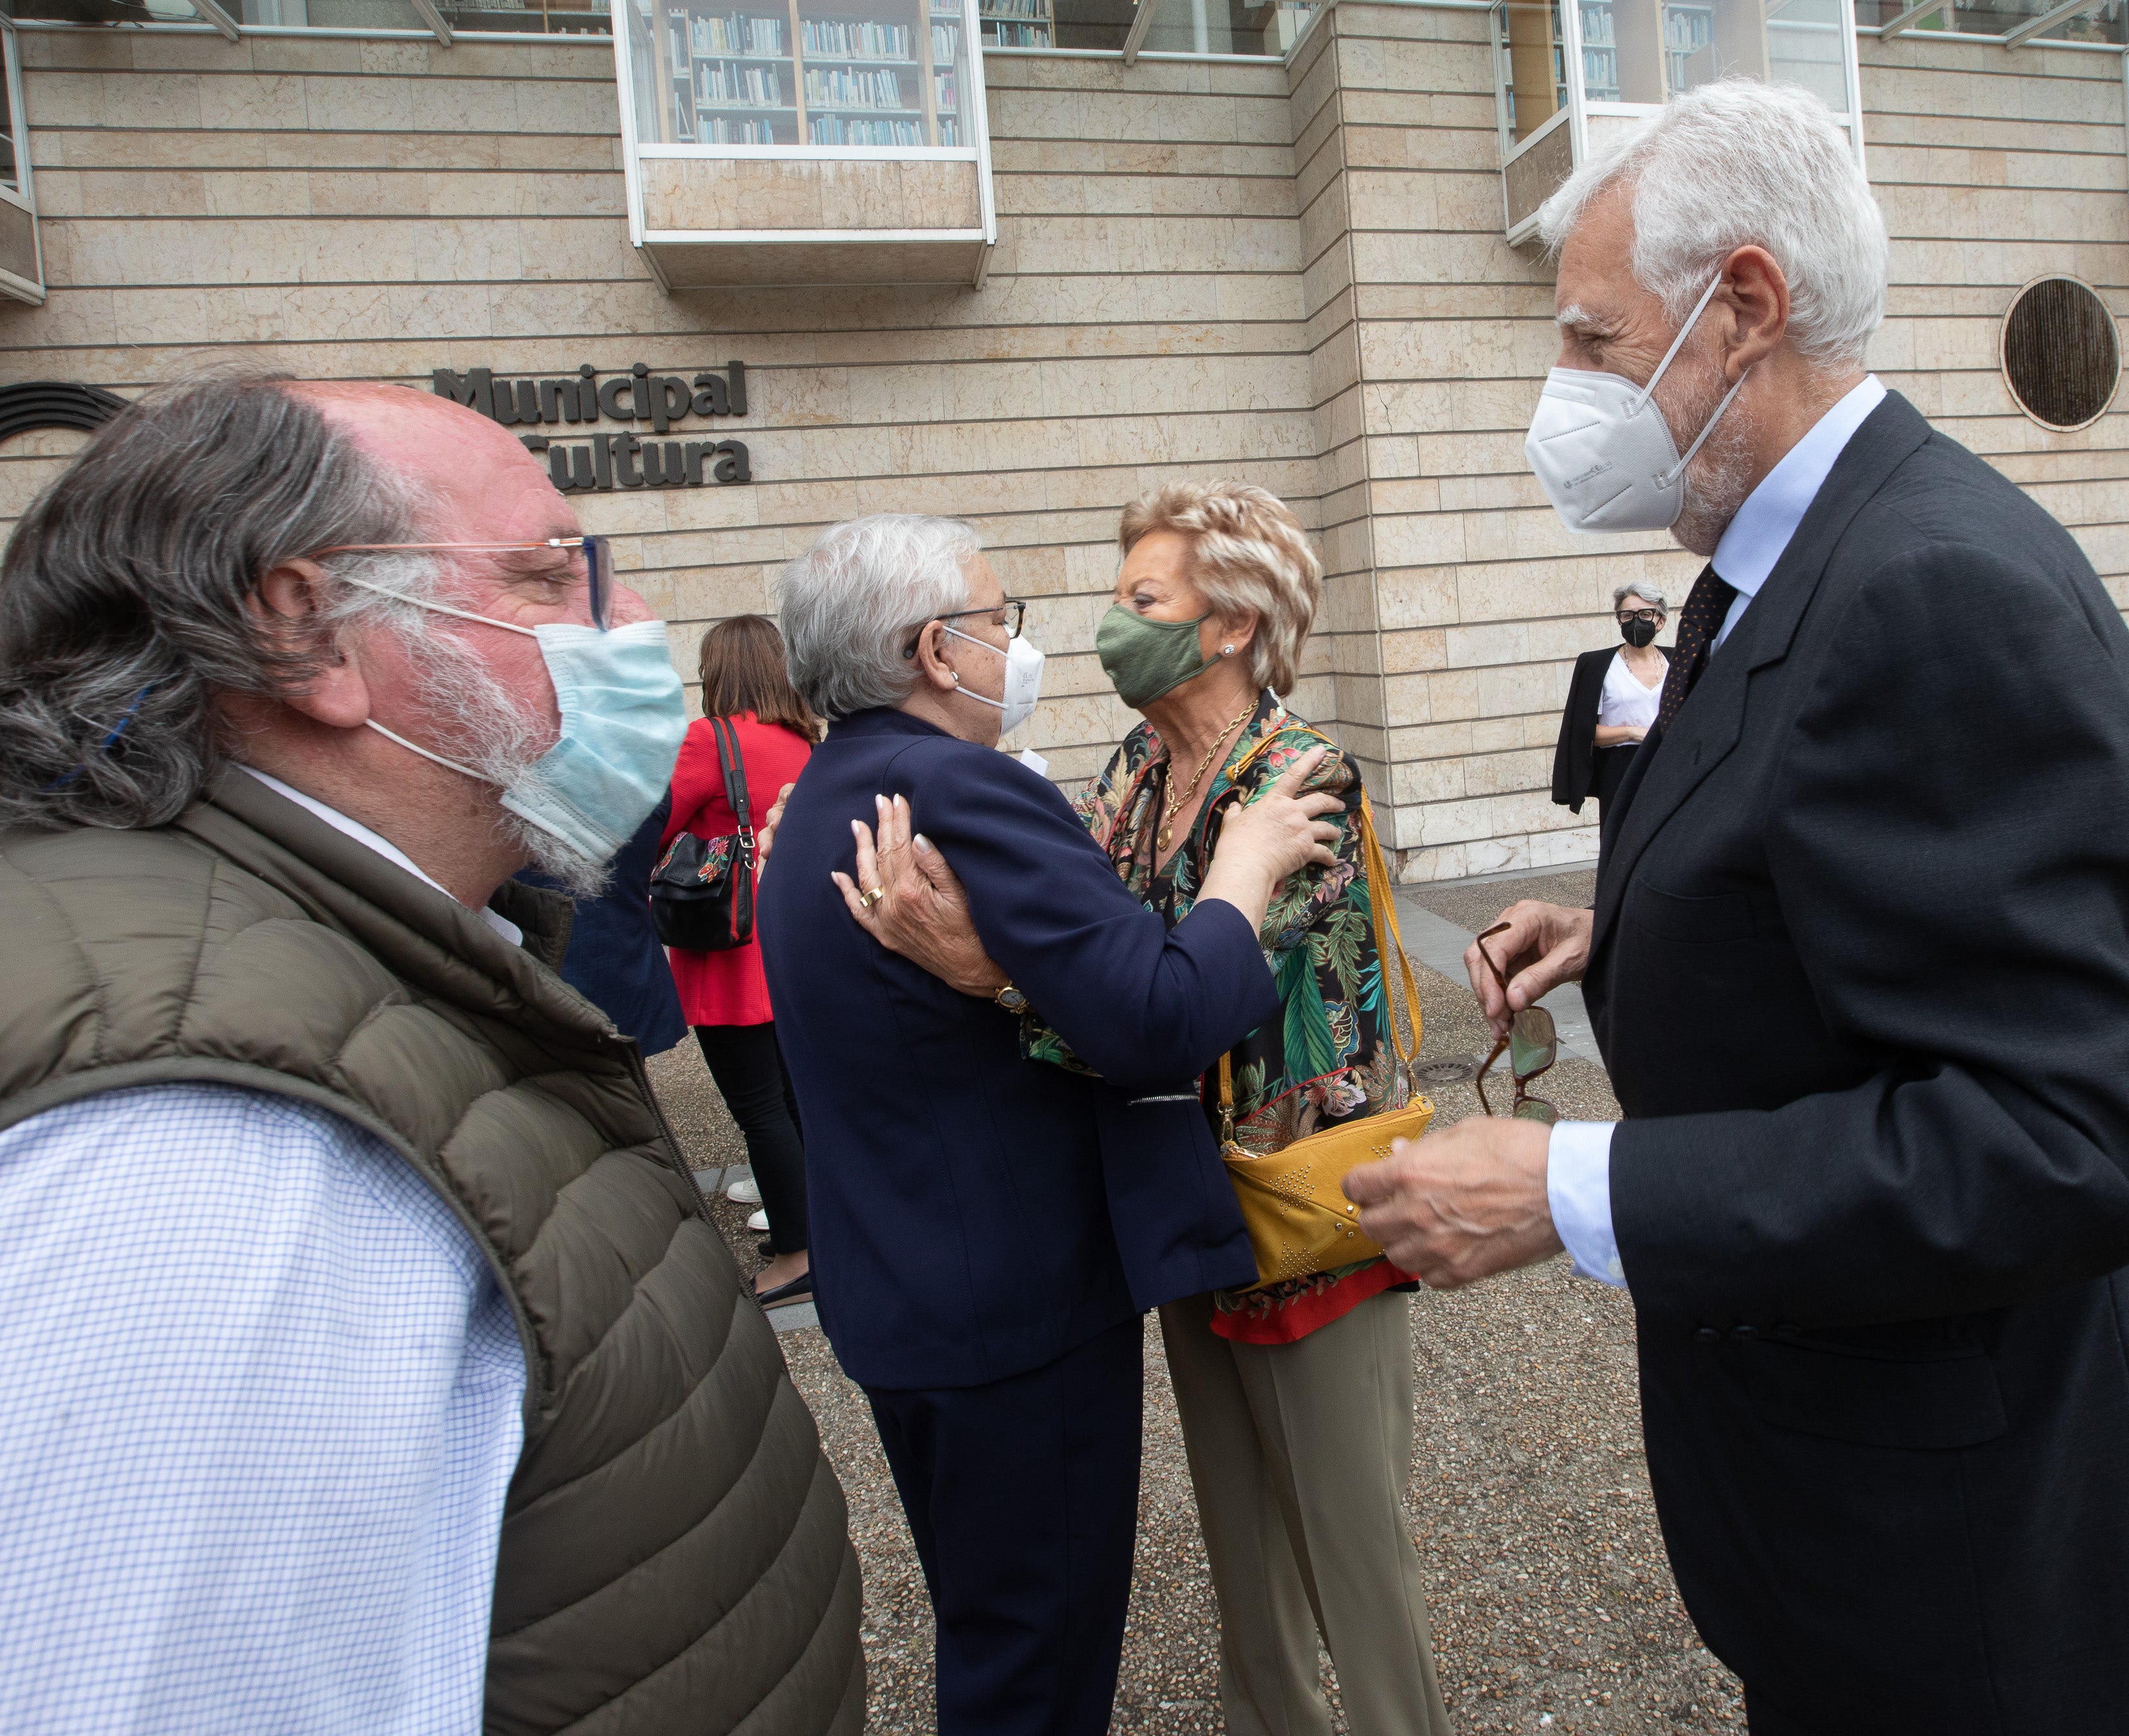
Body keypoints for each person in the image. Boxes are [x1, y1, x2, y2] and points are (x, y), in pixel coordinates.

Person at [0, 367, 863, 1735]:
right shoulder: (174, 1155)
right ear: (308, 632)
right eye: (547, 576)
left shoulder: (291, 959)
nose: (630, 622)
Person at [1342, 81, 2129, 1735]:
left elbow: (2062, 1141)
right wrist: (1640, 927)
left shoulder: (1930, 584)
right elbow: (1855, 879)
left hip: (1966, 1571)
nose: (1565, 392)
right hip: (1851, 1511)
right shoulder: (1778, 556)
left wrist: (1571, 1183)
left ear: (1740, 308)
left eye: (1593, 341)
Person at [846, 481, 1449, 1736]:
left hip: (1307, 1216)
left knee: (1352, 1552)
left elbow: (1189, 1002)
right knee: (1240, 1536)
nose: (1113, 628)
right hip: (1179, 1205)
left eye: (1142, 599)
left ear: (1228, 624)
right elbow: (1084, 933)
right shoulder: (1131, 770)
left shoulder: (1302, 782)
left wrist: (991, 974)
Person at [659, 613, 819, 1305]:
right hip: (789, 946)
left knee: (759, 1112)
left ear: (719, 672)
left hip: (727, 956)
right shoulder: (802, 744)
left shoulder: (709, 739)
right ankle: (818, 1231)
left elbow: (653, 825)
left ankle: (797, 1256)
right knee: (793, 1103)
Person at [520, 795, 688, 1058]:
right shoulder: (644, 778)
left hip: (547, 975)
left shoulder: (514, 790)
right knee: (626, 1081)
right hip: (628, 960)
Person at [1550, 582, 1667, 815]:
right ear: (1619, 621)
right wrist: (1633, 732)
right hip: (1621, 768)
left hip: (1670, 763)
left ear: (1661, 621)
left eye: (1645, 614)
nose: (1636, 621)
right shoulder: (1597, 666)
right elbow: (1582, 733)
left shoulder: (1679, 663)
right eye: (1628, 615)